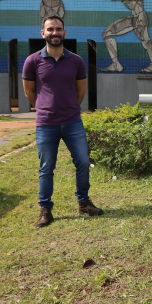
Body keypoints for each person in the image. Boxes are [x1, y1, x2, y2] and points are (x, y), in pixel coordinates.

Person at [22, 16, 103, 228]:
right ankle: (45, 210)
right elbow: (29, 92)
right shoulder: (32, 61)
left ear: (64, 33)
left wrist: (69, 108)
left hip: (72, 122)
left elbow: (80, 91)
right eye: (50, 29)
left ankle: (84, 203)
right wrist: (44, 108)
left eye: (58, 29)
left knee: (83, 161)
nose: (55, 33)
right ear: (43, 33)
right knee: (47, 167)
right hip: (46, 123)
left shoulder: (76, 61)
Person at [77, 0, 152, 73]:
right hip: (134, 18)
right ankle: (116, 64)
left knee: (146, 41)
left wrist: (140, 21)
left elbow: (138, 6)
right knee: (106, 34)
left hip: (139, 18)